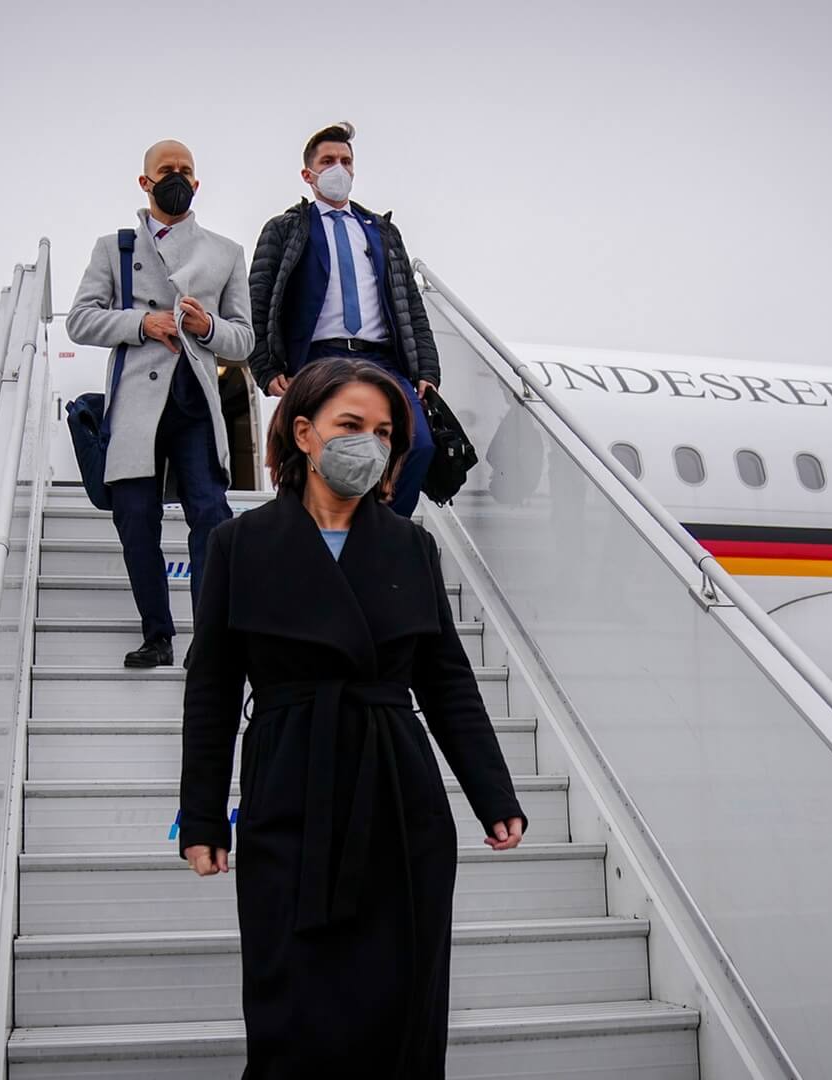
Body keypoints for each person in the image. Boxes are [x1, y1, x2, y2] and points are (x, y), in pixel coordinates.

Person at [178, 358, 528, 1077]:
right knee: (291, 1006)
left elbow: (447, 681)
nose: (368, 442)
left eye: (384, 431)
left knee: (401, 1009)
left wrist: (494, 796)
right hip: (289, 789)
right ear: (304, 433)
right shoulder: (238, 544)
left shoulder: (412, 546)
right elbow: (212, 687)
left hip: (399, 796)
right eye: (350, 425)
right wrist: (203, 817)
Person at [65, 140, 253, 668]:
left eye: (185, 170)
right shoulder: (113, 248)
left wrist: (207, 326)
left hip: (195, 402)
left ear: (197, 182)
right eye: (166, 170)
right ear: (145, 182)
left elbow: (244, 339)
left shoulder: (226, 252)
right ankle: (157, 635)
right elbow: (79, 320)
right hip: (135, 407)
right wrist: (143, 323)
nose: (177, 177)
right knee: (134, 517)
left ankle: (209, 640)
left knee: (211, 514)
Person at [248, 122, 442, 517]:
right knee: (319, 452)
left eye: (346, 161)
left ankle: (385, 531)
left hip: (381, 359)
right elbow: (259, 300)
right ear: (308, 174)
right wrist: (265, 368)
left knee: (417, 444)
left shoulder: (382, 231)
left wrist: (427, 369)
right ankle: (316, 535)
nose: (339, 168)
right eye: (328, 161)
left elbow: (410, 304)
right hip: (319, 358)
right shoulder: (286, 229)